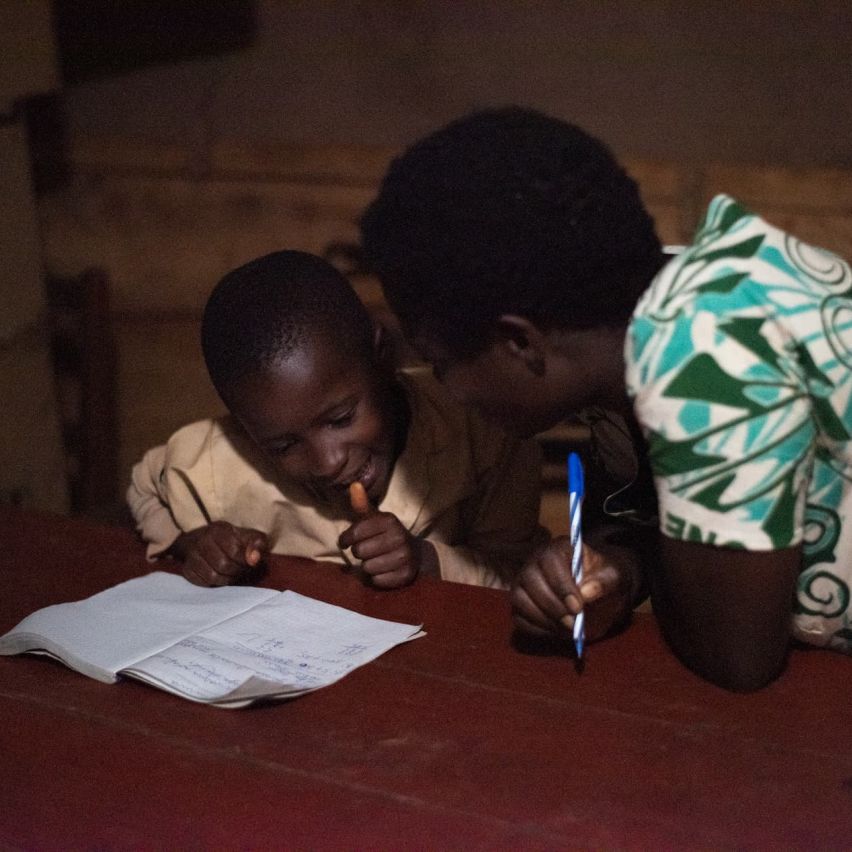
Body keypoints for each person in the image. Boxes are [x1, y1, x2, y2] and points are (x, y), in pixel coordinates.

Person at [359, 106, 852, 690]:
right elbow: (661, 524)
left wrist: (638, 564)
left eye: (442, 364)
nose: (447, 389)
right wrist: (617, 568)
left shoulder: (706, 361)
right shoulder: (631, 325)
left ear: (520, 342)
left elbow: (739, 658)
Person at [128, 250, 544, 591]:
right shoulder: (218, 459)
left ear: (383, 359)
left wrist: (427, 560)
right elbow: (145, 487)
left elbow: (515, 572)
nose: (327, 463)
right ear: (245, 430)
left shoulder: (482, 425)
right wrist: (191, 543)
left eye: (342, 418)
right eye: (284, 446)